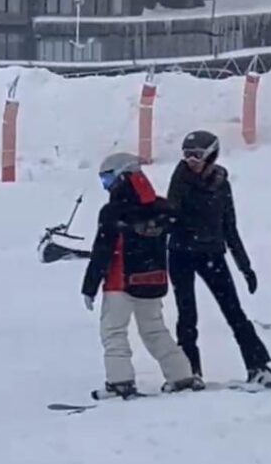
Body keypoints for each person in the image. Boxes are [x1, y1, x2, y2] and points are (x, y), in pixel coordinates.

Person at [81, 153, 203, 400]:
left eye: (107, 180)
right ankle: (181, 375)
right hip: (154, 280)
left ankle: (120, 382)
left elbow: (102, 250)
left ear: (121, 177)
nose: (106, 187)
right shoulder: (162, 207)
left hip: (120, 283)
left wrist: (89, 286)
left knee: (114, 332)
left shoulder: (113, 211)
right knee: (155, 330)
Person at [167, 130, 271, 386]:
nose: (191, 160)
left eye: (196, 155)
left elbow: (230, 227)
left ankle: (259, 366)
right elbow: (170, 216)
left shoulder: (220, 184)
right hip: (181, 254)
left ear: (211, 155)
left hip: (212, 254)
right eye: (186, 155)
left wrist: (245, 267)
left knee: (234, 312)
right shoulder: (180, 179)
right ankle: (189, 371)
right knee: (187, 315)